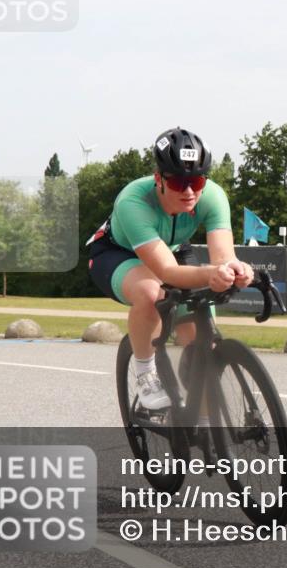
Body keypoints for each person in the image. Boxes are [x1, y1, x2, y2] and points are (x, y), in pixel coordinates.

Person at [87, 127, 253, 409]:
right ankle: (146, 374)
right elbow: (166, 272)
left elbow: (223, 255)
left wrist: (236, 269)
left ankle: (204, 431)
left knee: (203, 343)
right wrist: (210, 274)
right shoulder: (133, 202)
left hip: (174, 249)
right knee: (151, 293)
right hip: (116, 253)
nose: (189, 191)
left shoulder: (212, 195)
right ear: (158, 179)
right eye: (177, 184)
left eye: (197, 181)